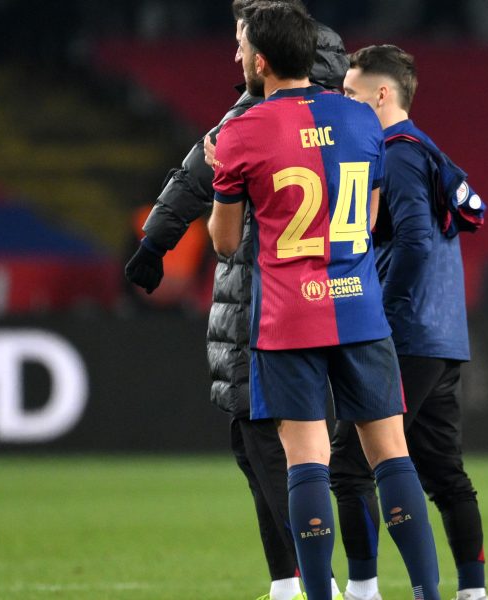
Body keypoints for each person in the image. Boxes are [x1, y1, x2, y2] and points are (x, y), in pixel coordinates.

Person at [207, 4, 441, 600]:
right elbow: (365, 218)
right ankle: (428, 594)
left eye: (241, 47)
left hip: (288, 318)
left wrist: (223, 177)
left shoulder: (241, 131)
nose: (237, 56)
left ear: (261, 61)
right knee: (392, 455)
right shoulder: (363, 118)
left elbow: (227, 241)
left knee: (306, 462)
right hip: (359, 306)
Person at [123, 1, 350, 598]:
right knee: (260, 445)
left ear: (267, 50)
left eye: (242, 43)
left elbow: (198, 175)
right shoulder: (343, 110)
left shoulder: (257, 115)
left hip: (269, 297)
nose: (235, 55)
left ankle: (316, 579)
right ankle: (290, 581)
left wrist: (155, 243)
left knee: (270, 442)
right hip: (331, 294)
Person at [334, 45, 488, 600]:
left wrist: (387, 314)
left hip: (408, 334)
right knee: (444, 473)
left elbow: (417, 242)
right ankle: (473, 592)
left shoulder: (395, 152)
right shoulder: (425, 149)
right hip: (444, 334)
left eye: (351, 94)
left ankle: (362, 589)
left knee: (348, 464)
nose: (345, 104)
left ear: (382, 94)